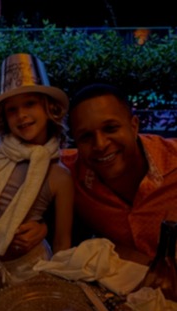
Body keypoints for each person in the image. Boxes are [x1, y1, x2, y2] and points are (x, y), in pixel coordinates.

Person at [0, 53, 74, 294]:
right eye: (12, 110)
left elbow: (62, 242)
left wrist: (45, 229)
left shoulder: (60, 175)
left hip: (31, 265)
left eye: (30, 104)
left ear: (50, 108)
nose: (21, 115)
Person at [63, 83, 177, 264]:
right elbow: (29, 162)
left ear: (134, 126)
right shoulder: (70, 173)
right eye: (86, 137)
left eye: (110, 128)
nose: (100, 145)